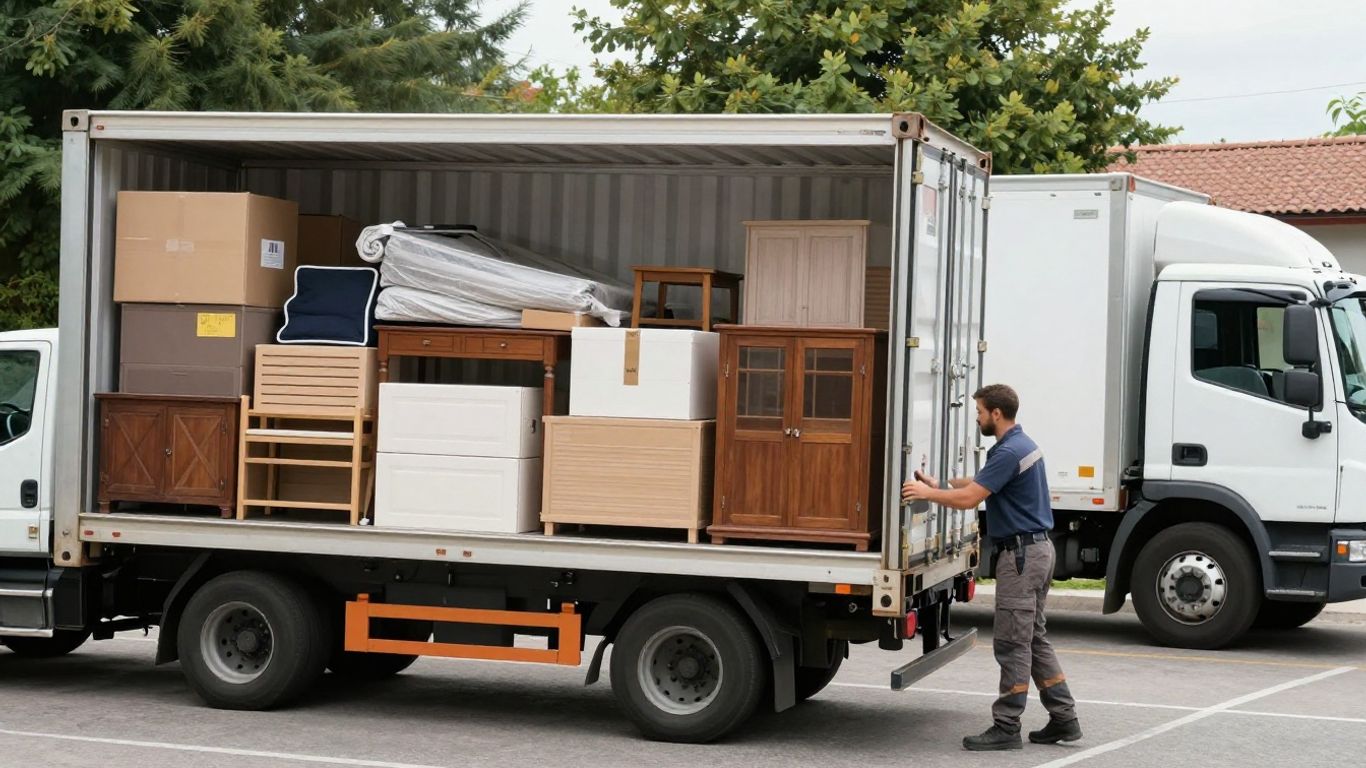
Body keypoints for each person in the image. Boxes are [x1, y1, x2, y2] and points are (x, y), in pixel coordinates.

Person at [901, 383, 1081, 751]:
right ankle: (1064, 718)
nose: (978, 418)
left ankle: (1006, 727)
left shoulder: (1010, 449)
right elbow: (980, 484)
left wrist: (927, 494)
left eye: (980, 412)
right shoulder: (1019, 444)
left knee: (1013, 644)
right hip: (1037, 552)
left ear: (996, 413)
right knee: (1032, 638)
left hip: (1021, 558)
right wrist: (940, 484)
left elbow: (970, 499)